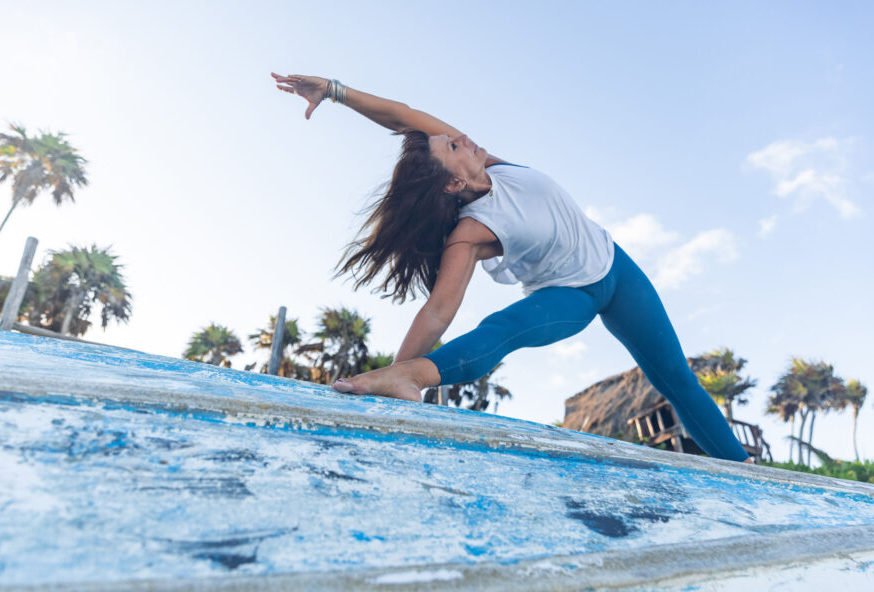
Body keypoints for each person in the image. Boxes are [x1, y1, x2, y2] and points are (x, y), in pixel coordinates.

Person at [271, 73, 752, 463]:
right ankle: (412, 377)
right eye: (453, 148)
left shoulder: (490, 165)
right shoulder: (470, 232)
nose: (460, 138)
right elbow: (439, 312)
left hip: (618, 269)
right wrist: (399, 368)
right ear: (452, 183)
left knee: (674, 375)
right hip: (571, 294)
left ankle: (745, 468)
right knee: (504, 328)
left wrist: (334, 91)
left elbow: (402, 116)